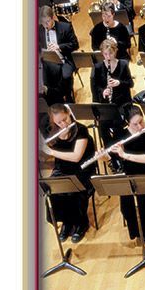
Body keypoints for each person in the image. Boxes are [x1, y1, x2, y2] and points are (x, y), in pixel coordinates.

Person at [39, 103, 96, 243]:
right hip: (62, 168)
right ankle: (67, 223)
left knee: (73, 190)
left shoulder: (81, 130)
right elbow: (47, 158)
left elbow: (76, 157)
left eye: (65, 119)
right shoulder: (53, 131)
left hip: (82, 168)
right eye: (59, 122)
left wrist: (51, 152)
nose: (63, 124)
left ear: (69, 113)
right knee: (54, 189)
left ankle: (81, 224)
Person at [109, 105, 145, 244]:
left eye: (141, 121)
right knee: (126, 207)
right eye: (135, 124)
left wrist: (125, 155)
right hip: (129, 174)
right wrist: (103, 156)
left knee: (144, 205)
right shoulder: (120, 135)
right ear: (128, 123)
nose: (140, 126)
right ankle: (135, 232)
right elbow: (113, 158)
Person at [90, 38, 134, 150]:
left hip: (122, 103)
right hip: (106, 104)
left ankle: (119, 150)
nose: (108, 56)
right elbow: (95, 87)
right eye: (105, 54)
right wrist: (103, 91)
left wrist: (119, 83)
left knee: (117, 124)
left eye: (111, 53)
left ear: (115, 51)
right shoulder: (98, 67)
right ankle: (111, 152)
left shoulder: (123, 64)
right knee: (102, 126)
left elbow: (130, 83)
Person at [38, 5, 78, 102]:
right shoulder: (39, 29)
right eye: (43, 22)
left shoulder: (66, 27)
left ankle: (68, 96)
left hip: (64, 60)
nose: (45, 25)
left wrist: (59, 47)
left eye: (47, 22)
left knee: (65, 76)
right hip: (47, 62)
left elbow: (75, 45)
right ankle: (52, 100)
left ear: (53, 18)